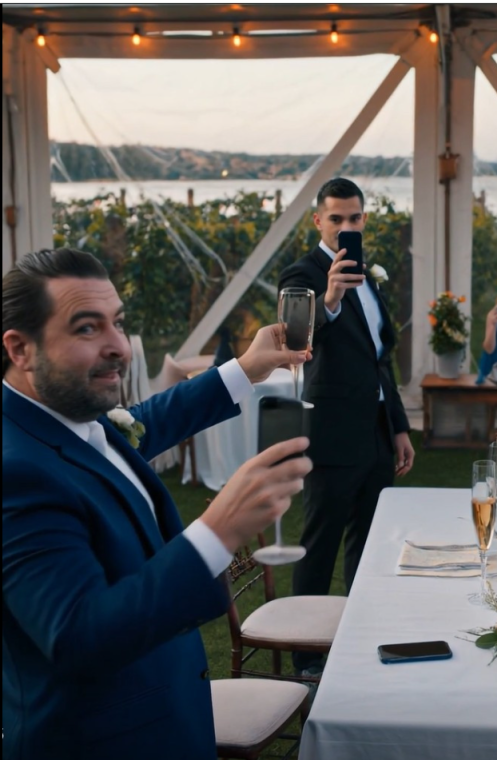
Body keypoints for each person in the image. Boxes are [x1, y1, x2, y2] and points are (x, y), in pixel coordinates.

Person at [2, 248, 313, 760]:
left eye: (117, 323)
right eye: (86, 328)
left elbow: (142, 423)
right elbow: (81, 636)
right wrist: (217, 531)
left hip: (172, 717)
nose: (119, 347)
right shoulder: (15, 471)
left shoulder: (69, 413)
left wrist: (245, 369)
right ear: (20, 348)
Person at [278, 177, 414, 676]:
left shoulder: (370, 278)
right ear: (318, 221)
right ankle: (307, 656)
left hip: (376, 432)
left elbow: (381, 359)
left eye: (354, 218)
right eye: (336, 219)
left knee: (369, 542)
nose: (345, 227)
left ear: (363, 220)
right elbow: (295, 340)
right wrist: (330, 298)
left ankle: (360, 634)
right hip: (332, 434)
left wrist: (398, 426)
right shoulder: (302, 272)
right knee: (320, 545)